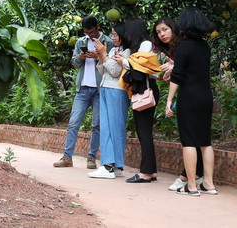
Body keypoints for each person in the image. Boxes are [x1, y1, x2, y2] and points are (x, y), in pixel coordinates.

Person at [165, 7, 218, 196]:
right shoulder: (205, 47)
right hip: (206, 96)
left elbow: (177, 76)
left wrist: (169, 100)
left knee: (188, 141)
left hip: (189, 97)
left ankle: (192, 186)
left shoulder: (183, 46)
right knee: (205, 142)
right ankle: (209, 185)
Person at [53, 15, 114, 169]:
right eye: (87, 33)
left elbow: (113, 66)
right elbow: (74, 64)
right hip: (82, 89)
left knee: (96, 125)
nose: (90, 36)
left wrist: (99, 55)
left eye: (92, 32)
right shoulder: (81, 42)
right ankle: (67, 157)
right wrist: (80, 57)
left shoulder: (108, 42)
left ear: (98, 27)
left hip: (100, 89)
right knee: (73, 123)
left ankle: (91, 158)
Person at [153, 18, 204, 191]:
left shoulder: (183, 45)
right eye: (159, 32)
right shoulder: (179, 47)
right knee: (197, 137)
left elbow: (185, 71)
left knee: (190, 138)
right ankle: (196, 176)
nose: (162, 34)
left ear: (174, 29)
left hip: (192, 95)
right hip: (197, 93)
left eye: (165, 29)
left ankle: (188, 178)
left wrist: (170, 98)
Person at [119, 17, 161, 183]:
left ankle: (146, 172)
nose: (127, 35)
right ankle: (151, 170)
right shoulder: (143, 45)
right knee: (144, 132)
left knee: (144, 132)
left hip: (146, 88)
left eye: (128, 31)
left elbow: (144, 68)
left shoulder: (145, 45)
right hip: (144, 88)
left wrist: (122, 62)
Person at [87, 22, 131, 178]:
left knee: (113, 127)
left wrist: (104, 55)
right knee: (109, 126)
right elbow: (102, 69)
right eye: (112, 34)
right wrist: (101, 56)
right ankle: (117, 166)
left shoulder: (128, 51)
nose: (113, 37)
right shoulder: (113, 49)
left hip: (116, 90)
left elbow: (114, 71)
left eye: (115, 35)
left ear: (123, 35)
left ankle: (107, 166)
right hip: (105, 88)